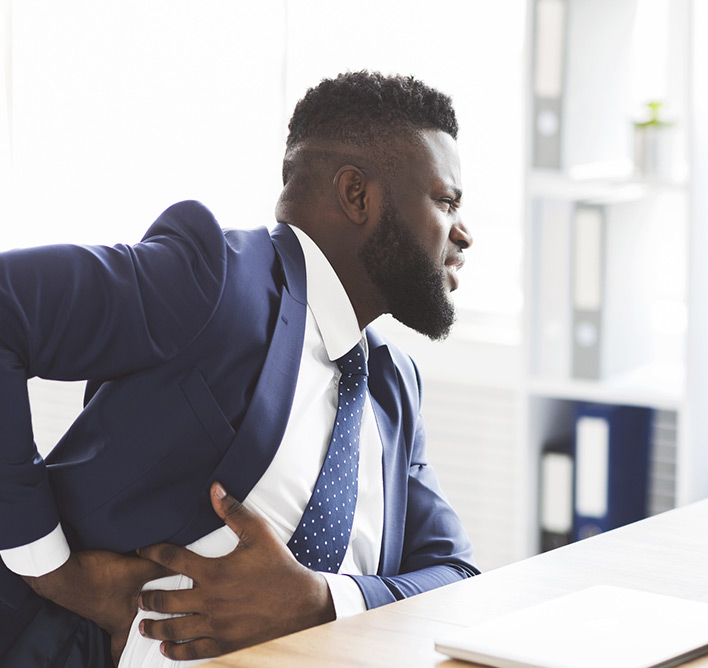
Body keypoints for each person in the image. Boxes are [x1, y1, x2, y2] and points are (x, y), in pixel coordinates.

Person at [0, 70, 479, 667]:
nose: (464, 233)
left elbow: (458, 577)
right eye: (446, 201)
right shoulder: (213, 281)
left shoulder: (391, 381)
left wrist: (319, 602)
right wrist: (58, 573)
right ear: (357, 195)